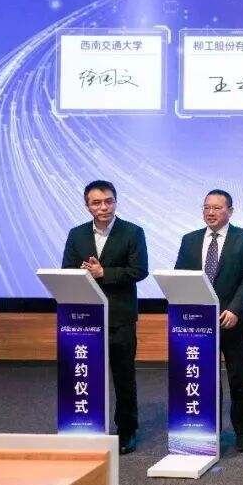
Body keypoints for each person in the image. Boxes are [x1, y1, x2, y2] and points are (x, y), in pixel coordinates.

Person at [61, 180, 148, 455]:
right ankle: (87, 428)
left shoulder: (132, 232)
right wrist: (85, 274)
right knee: (86, 375)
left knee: (124, 378)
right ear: (87, 206)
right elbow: (67, 269)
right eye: (97, 203)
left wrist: (104, 273)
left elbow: (139, 271)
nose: (103, 207)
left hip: (120, 317)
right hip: (85, 319)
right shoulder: (77, 234)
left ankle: (127, 431)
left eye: (108, 201)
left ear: (116, 202)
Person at [175, 189, 243, 452]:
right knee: (203, 378)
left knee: (239, 379)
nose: (210, 213)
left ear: (230, 211)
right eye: (206, 208)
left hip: (232, 321)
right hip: (198, 324)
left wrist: (235, 309)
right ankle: (208, 429)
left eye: (216, 208)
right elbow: (180, 275)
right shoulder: (190, 240)